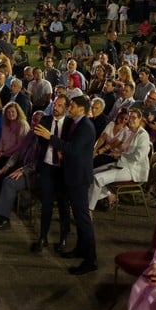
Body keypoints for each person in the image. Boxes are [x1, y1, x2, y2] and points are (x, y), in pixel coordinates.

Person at [34, 94, 97, 275]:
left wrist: (50, 136)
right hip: (73, 176)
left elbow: (72, 149)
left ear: (82, 109)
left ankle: (91, 259)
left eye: (73, 106)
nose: (69, 108)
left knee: (83, 219)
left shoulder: (85, 127)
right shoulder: (77, 123)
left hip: (78, 179)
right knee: (78, 217)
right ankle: (80, 249)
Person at [87, 107, 150, 211]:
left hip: (133, 170)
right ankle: (108, 194)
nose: (130, 120)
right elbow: (114, 142)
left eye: (134, 118)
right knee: (90, 174)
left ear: (140, 119)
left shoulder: (143, 135)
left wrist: (120, 154)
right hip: (121, 164)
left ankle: (88, 210)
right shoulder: (127, 131)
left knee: (97, 179)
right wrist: (100, 150)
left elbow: (138, 157)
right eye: (129, 117)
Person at [31, 94, 71, 254]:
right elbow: (40, 141)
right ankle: (42, 237)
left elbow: (69, 146)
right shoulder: (46, 120)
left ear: (67, 108)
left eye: (60, 105)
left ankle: (63, 238)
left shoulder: (69, 124)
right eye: (55, 104)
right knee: (46, 204)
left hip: (62, 170)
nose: (56, 107)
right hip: (47, 166)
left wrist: (52, 138)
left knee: (63, 205)